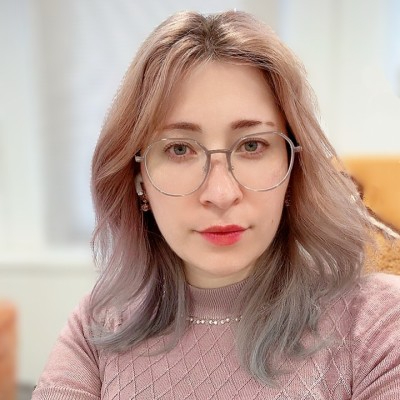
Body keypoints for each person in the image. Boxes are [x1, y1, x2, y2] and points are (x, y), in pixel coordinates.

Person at [32, 10, 400, 399]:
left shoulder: (376, 323)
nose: (221, 193)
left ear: (294, 166)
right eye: (179, 149)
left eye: (252, 145)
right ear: (138, 178)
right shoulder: (99, 325)